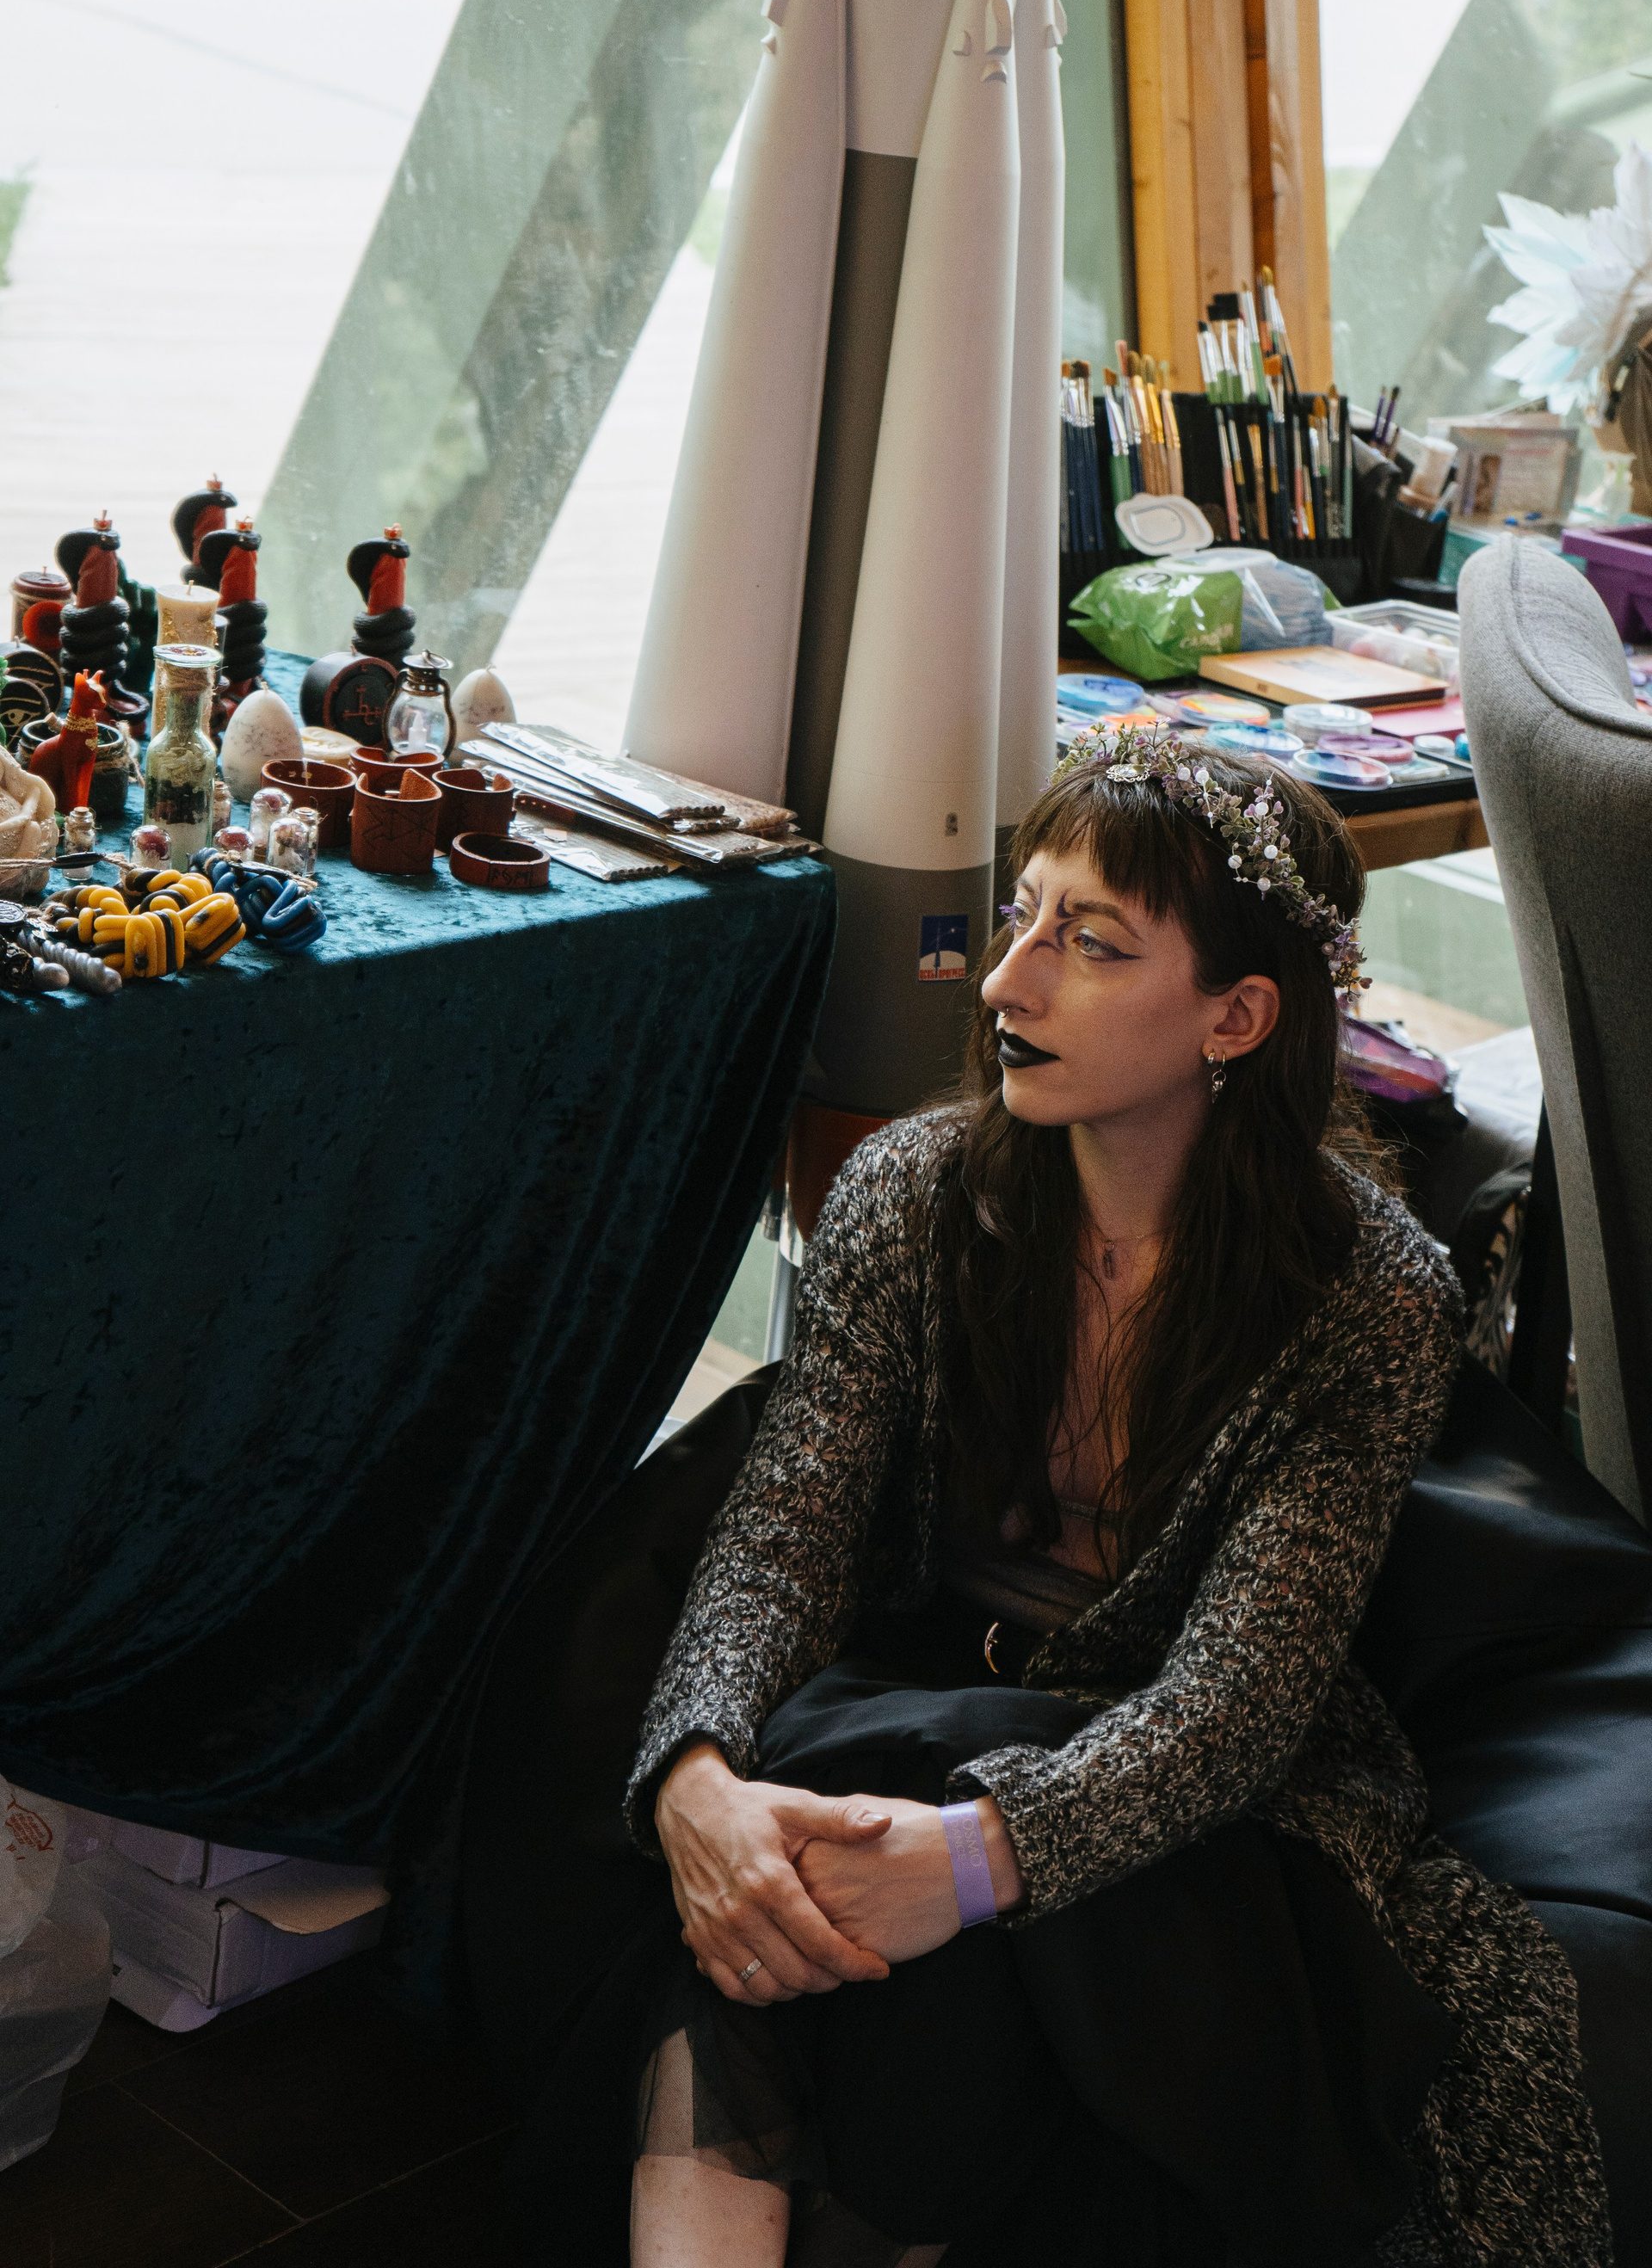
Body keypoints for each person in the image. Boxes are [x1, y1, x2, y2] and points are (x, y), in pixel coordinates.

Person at [550, 730, 1610, 2267]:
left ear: (1239, 1016)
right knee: (794, 1871)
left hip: (1181, 1783)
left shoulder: (1368, 1295)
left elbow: (1240, 1699)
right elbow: (786, 1535)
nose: (1006, 981)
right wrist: (700, 1784)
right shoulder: (909, 1193)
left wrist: (973, 1860)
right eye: (1023, 913)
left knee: (924, 1939)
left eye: (1091, 942)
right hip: (912, 1689)